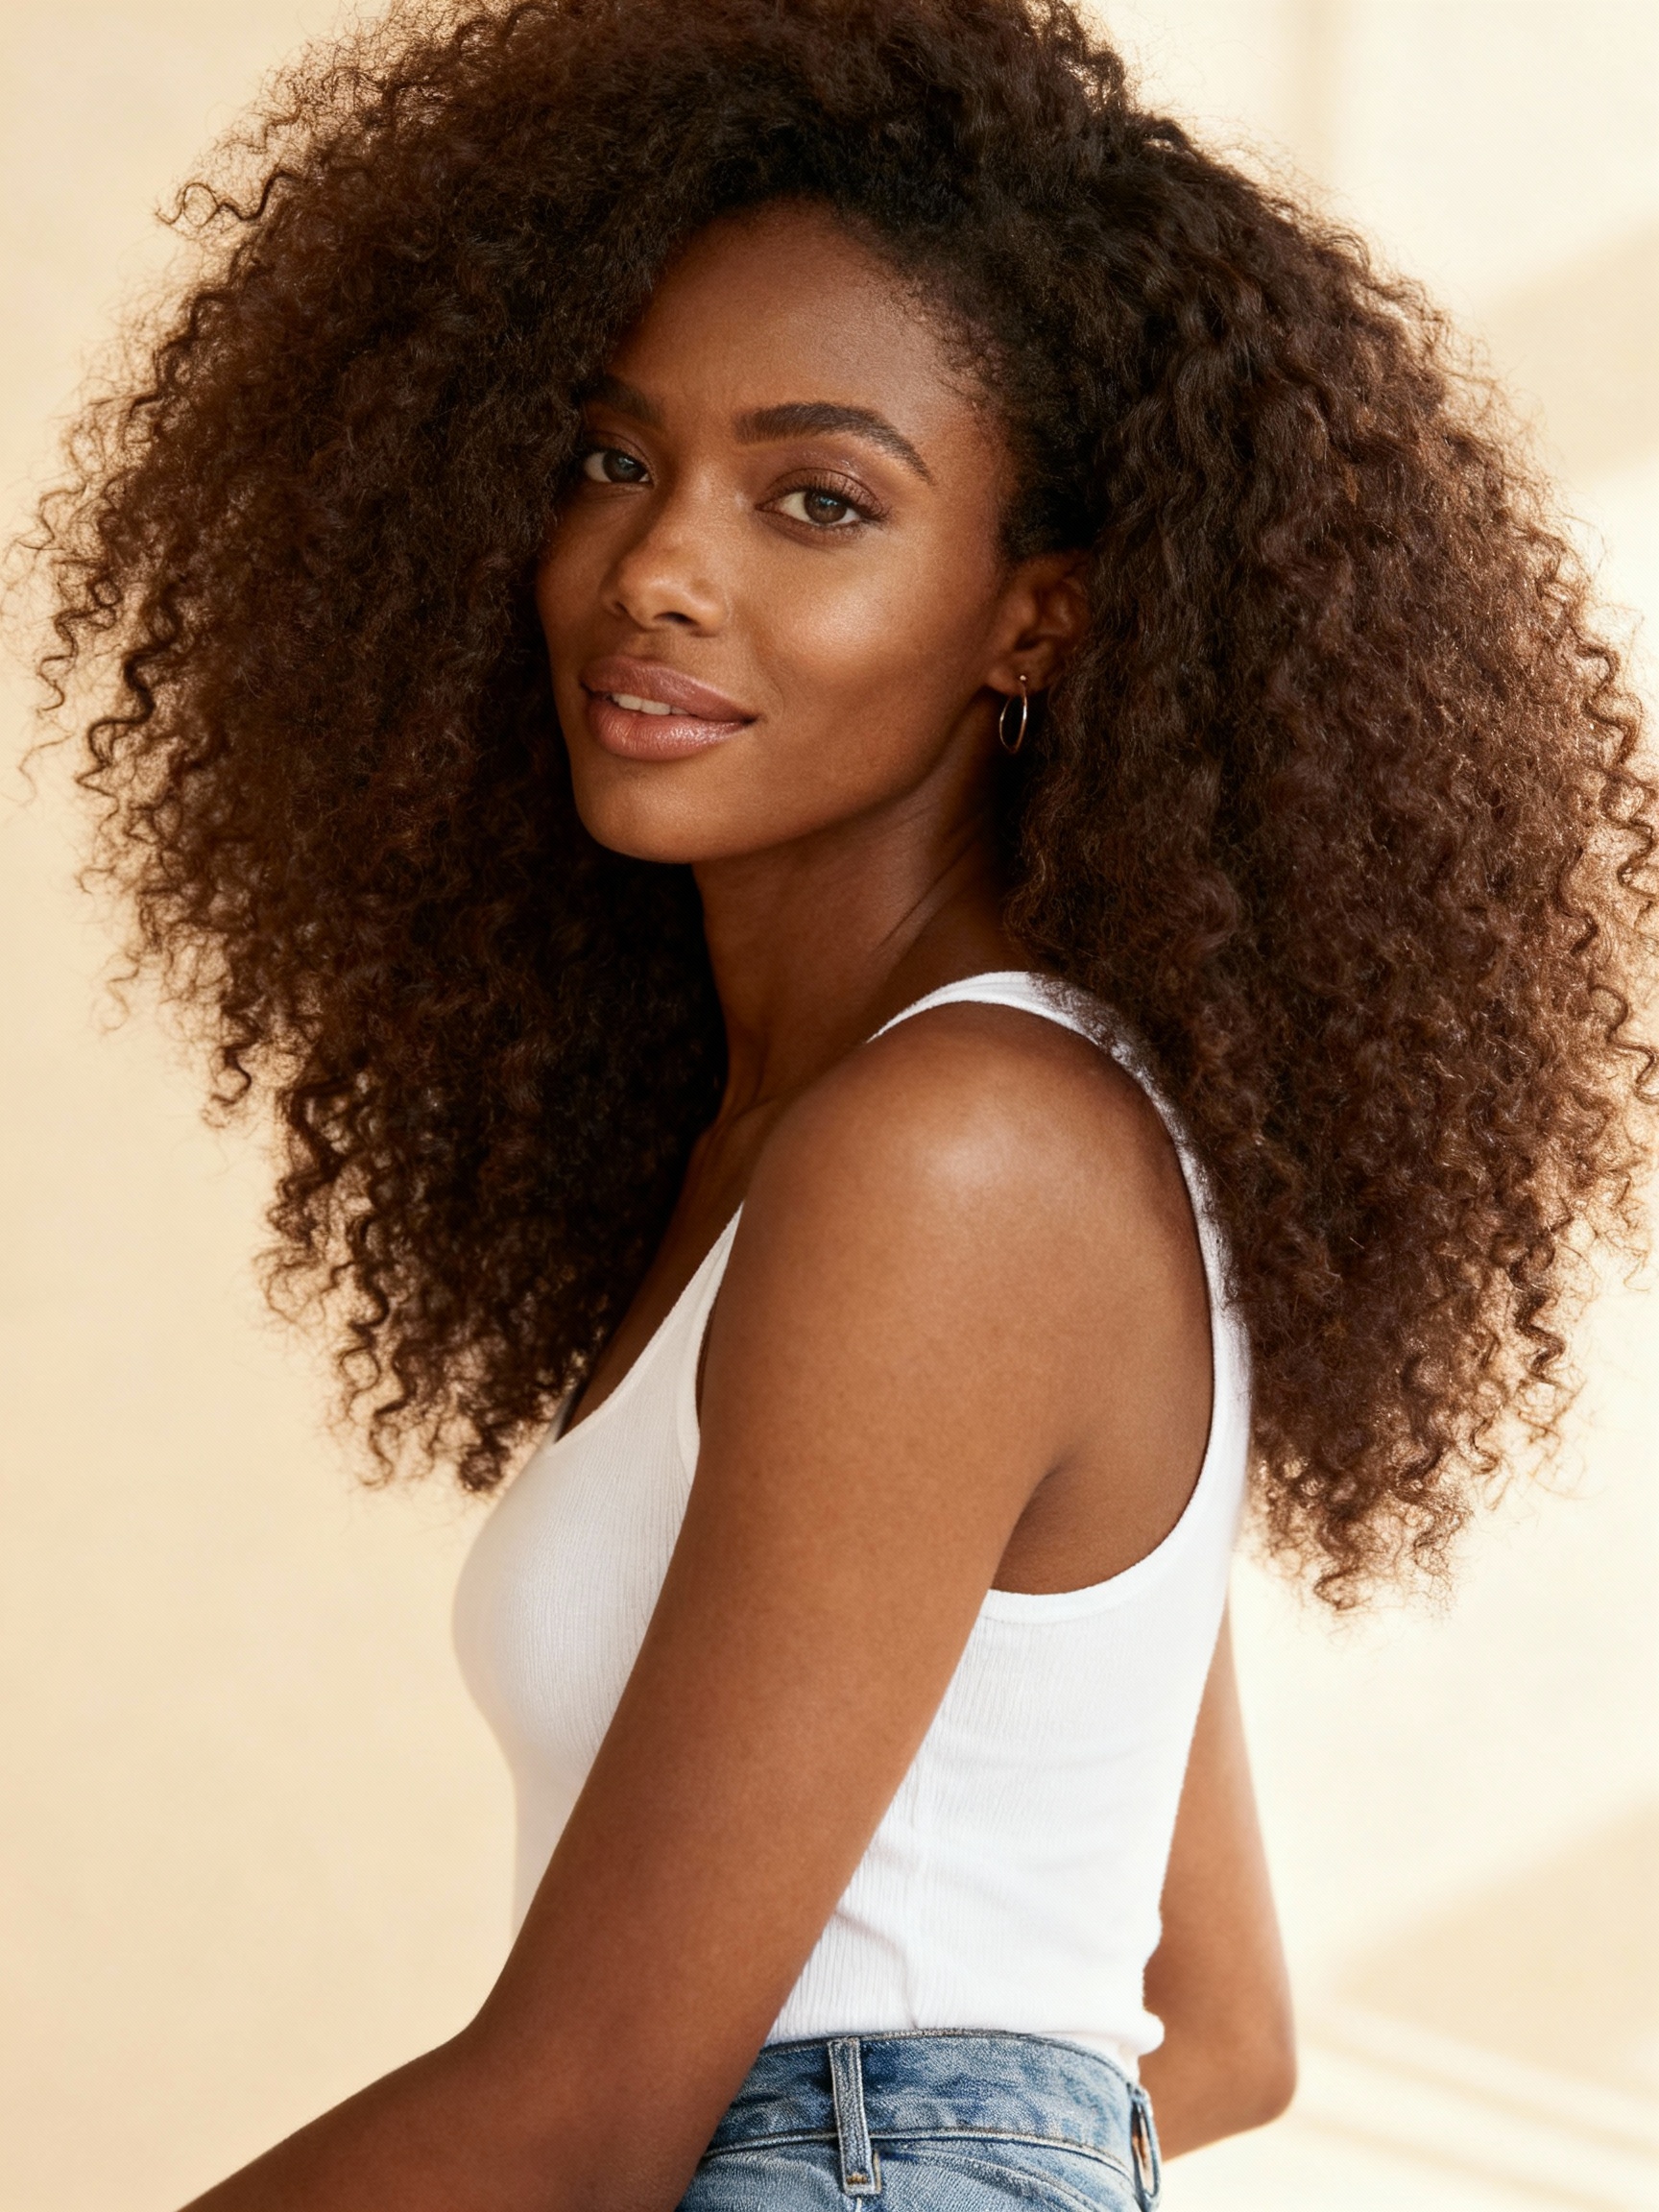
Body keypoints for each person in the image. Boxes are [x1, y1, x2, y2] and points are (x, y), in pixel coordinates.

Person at [32, 0, 1654, 2204]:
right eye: (614, 458)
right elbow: (1225, 2023)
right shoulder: (874, 1144)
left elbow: (589, 2108)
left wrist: (873, 2157)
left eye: (819, 499)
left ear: (1034, 618)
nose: (657, 568)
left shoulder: (960, 1157)